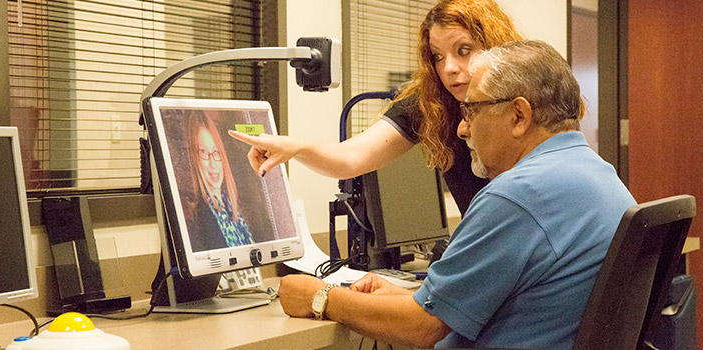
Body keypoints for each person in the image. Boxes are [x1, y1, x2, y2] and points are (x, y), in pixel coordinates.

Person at [273, 39, 636, 350]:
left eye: (472, 110)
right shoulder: (597, 173)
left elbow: (422, 326)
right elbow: (516, 298)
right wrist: (409, 297)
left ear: (519, 116)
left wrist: (321, 297)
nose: (462, 128)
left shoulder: (516, 197)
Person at [229, 0, 527, 215]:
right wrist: (295, 148)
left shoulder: (527, 100)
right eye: (437, 56)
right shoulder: (430, 105)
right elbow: (351, 157)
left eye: (464, 50)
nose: (449, 68)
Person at [183, 111, 253, 250]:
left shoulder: (235, 208)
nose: (213, 164)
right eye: (203, 152)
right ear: (193, 158)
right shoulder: (195, 218)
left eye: (216, 152)